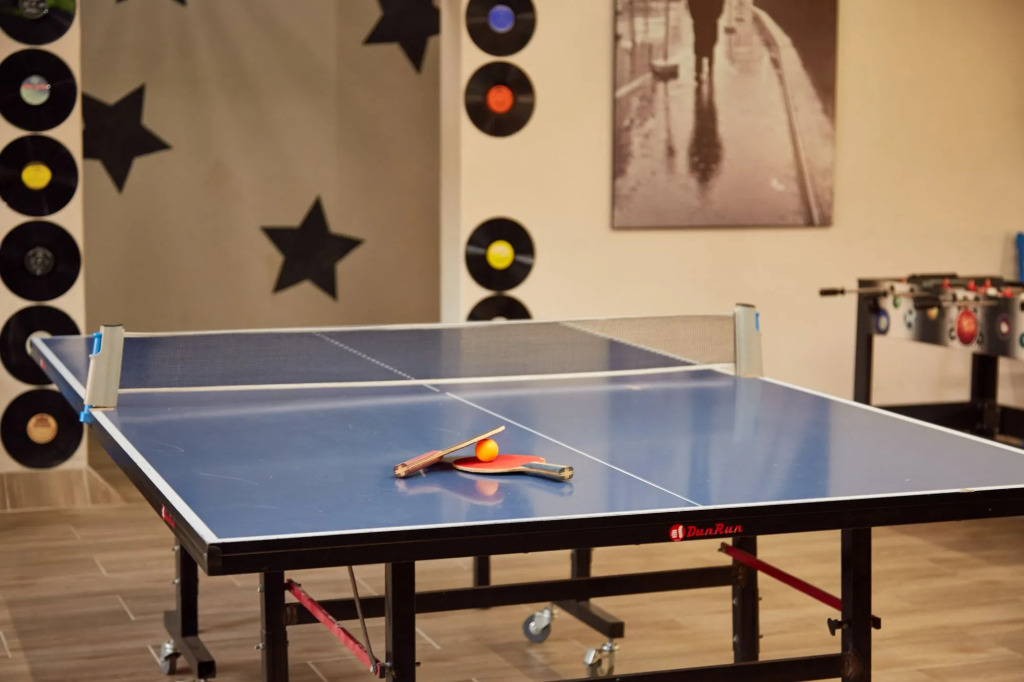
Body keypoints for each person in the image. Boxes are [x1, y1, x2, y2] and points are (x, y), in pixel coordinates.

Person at [686, 0, 726, 83]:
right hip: (705, 16)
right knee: (705, 41)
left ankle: (702, 69)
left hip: (704, 16)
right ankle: (703, 69)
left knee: (706, 41)